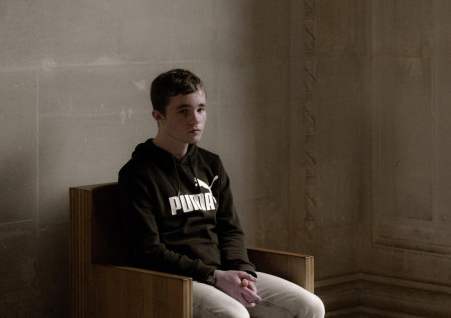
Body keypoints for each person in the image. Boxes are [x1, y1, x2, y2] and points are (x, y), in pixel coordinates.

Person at [118, 68, 325, 318]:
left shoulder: (211, 164)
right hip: (178, 280)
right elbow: (149, 252)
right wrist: (214, 277)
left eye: (201, 109)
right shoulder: (137, 173)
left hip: (224, 271)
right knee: (234, 315)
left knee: (310, 306)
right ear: (158, 116)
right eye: (183, 110)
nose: (195, 120)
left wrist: (242, 272)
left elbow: (230, 229)